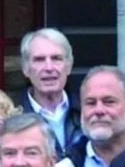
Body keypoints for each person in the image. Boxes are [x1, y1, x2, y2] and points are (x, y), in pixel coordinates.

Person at [17, 28, 81, 156]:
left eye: (56, 58)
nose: (49, 68)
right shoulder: (14, 117)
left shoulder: (86, 113)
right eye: (39, 60)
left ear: (69, 66)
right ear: (25, 68)